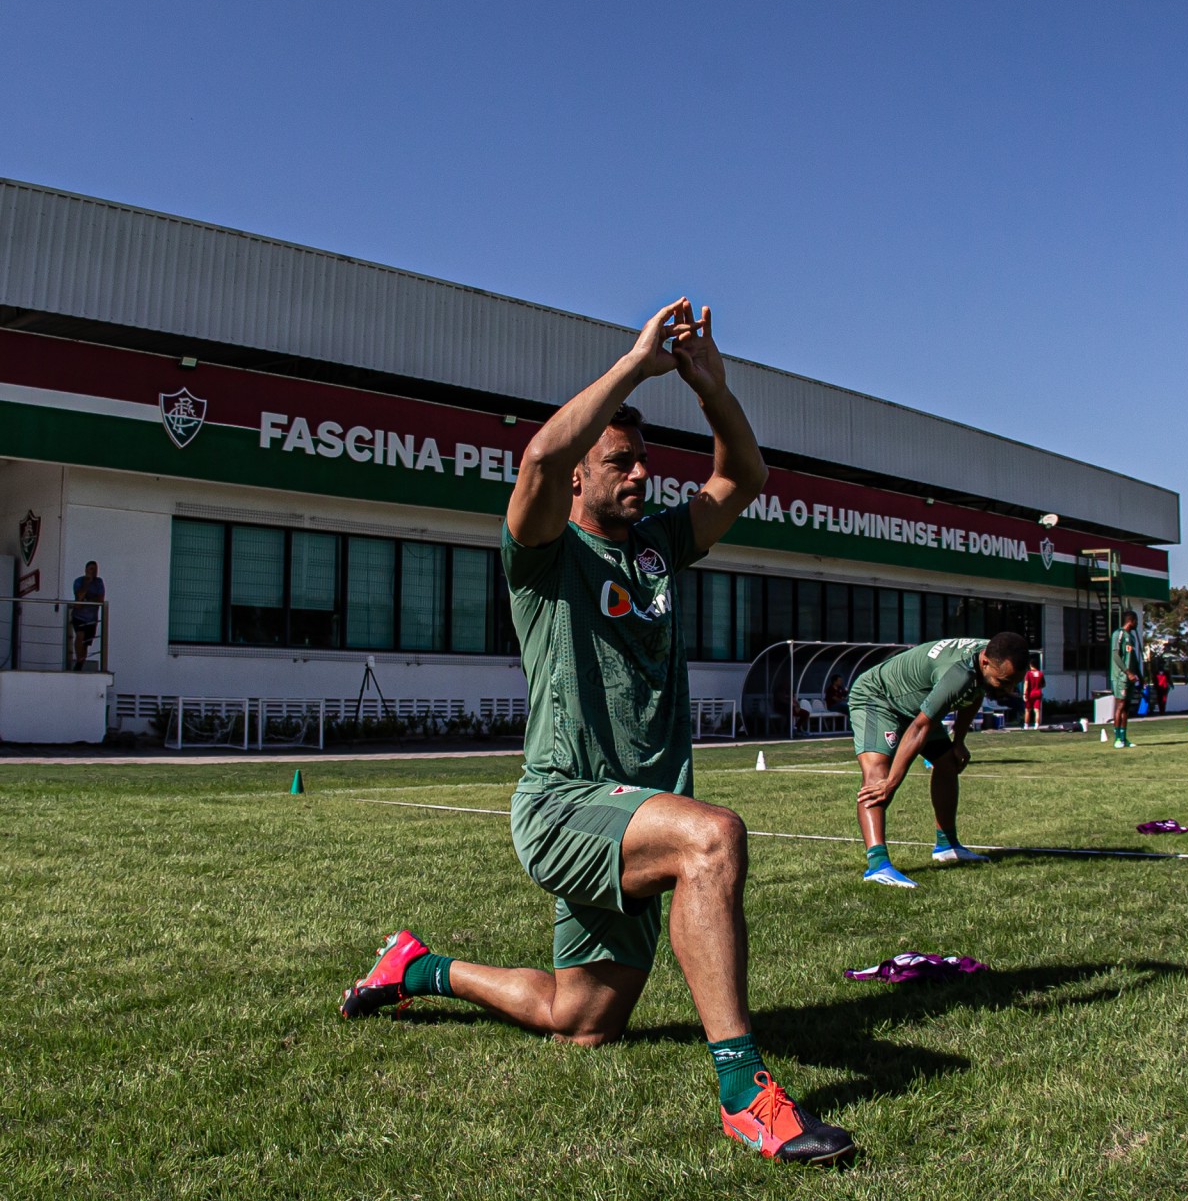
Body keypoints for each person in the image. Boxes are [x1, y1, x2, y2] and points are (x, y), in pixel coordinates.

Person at [339, 300, 855, 1165]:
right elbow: (539, 454)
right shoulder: (542, 555)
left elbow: (745, 478)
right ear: (581, 476)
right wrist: (636, 362)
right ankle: (745, 1095)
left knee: (581, 1021)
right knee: (714, 840)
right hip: (565, 805)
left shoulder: (655, 547)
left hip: (636, 815)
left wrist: (710, 387)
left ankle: (419, 967)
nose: (641, 476)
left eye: (645, 462)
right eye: (619, 462)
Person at [851, 633, 1030, 886]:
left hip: (917, 706)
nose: (1009, 689)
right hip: (879, 699)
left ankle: (946, 845)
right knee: (877, 776)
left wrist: (958, 741)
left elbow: (975, 693)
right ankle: (878, 864)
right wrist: (892, 781)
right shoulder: (957, 673)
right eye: (1004, 681)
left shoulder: (986, 658)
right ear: (986, 662)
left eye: (1014, 682)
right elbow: (919, 729)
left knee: (947, 762)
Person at [1108, 608, 1143, 749]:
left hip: (1130, 678)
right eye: (1136, 621)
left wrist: (1140, 675)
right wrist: (1127, 672)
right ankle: (1117, 739)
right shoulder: (1119, 634)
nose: (1137, 624)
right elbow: (1116, 656)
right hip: (1120, 677)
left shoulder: (1132, 637)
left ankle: (1124, 737)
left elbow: (1133, 658)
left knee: (1127, 708)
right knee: (1120, 705)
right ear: (1131, 621)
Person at [68, 561, 105, 670]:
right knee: (80, 636)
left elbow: (100, 599)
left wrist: (87, 599)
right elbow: (79, 597)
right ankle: (79, 662)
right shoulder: (79, 581)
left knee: (85, 643)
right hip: (79, 616)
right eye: (91, 569)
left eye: (95, 569)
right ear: (86, 570)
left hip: (92, 618)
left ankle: (80, 663)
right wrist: (87, 583)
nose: (94, 572)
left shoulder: (99, 582)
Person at [1022, 659, 1046, 728]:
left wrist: (1024, 694)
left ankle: (1026, 725)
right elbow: (1044, 684)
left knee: (1027, 710)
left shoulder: (1028, 673)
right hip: (1038, 693)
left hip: (1030, 694)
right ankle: (1036, 725)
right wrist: (1038, 686)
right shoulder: (1040, 673)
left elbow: (1026, 684)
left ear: (1030, 665)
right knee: (1037, 711)